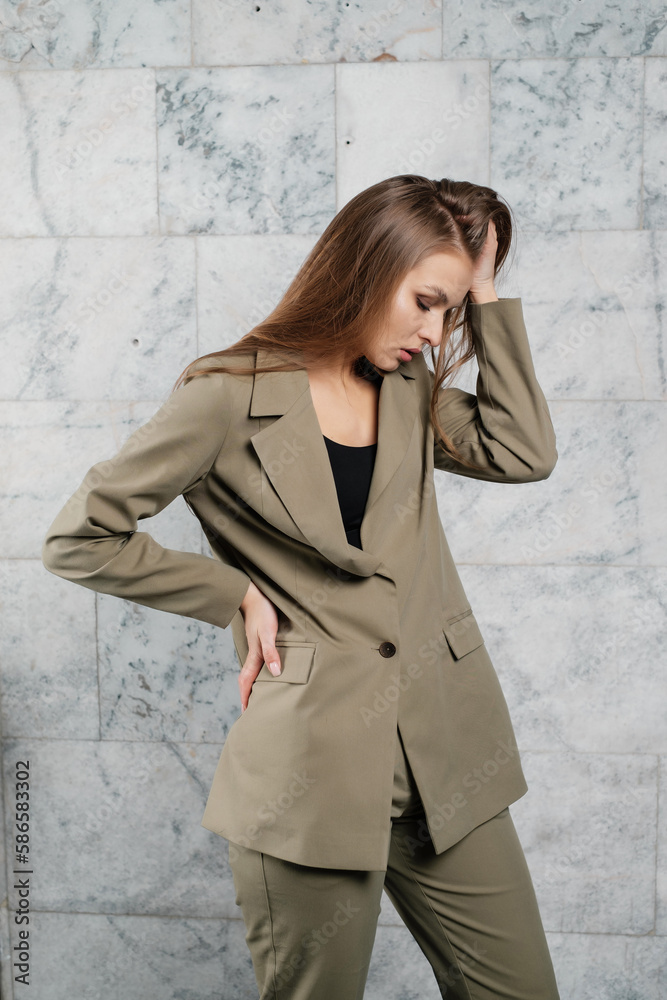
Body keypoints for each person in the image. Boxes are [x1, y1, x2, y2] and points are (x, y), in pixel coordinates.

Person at [42, 174, 561, 999]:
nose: (433, 334)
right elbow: (79, 538)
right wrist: (232, 595)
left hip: (446, 759)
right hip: (309, 777)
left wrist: (485, 289)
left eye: (449, 313)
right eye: (424, 301)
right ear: (364, 267)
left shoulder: (409, 389)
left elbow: (520, 450)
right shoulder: (225, 397)